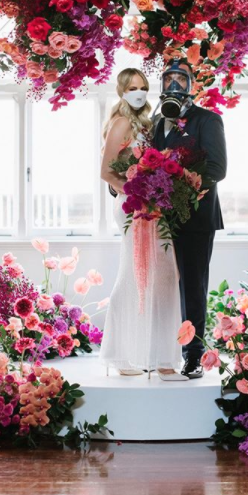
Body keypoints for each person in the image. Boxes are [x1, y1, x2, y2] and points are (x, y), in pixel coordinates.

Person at [99, 67, 188, 381]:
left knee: (161, 275)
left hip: (151, 206)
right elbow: (107, 173)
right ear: (122, 90)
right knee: (134, 273)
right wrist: (138, 191)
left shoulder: (146, 124)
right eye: (132, 87)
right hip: (131, 206)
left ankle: (155, 355)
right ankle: (124, 355)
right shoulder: (122, 122)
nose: (139, 92)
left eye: (143, 86)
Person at [152, 59, 227, 379]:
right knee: (163, 287)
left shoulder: (208, 120)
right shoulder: (155, 123)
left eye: (180, 79)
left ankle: (193, 354)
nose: (174, 86)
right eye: (168, 79)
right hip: (159, 219)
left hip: (196, 219)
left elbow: (217, 168)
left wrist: (184, 189)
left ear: (192, 84)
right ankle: (161, 351)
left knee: (193, 288)